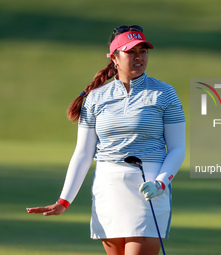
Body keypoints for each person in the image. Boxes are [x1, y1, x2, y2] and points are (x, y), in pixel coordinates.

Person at [26, 25, 186, 255]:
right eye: (131, 51)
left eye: (143, 50)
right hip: (108, 187)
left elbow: (178, 147)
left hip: (149, 185)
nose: (139, 56)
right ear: (114, 58)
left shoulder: (164, 93)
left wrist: (161, 183)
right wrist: (64, 200)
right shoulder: (95, 98)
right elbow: (83, 153)